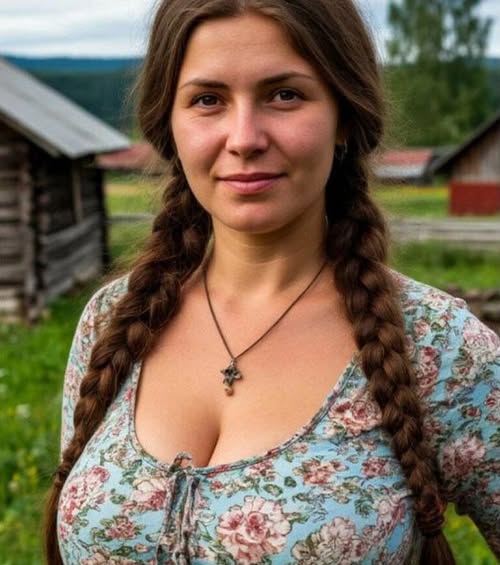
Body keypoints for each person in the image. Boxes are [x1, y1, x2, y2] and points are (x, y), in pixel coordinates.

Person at [44, 1, 500, 563]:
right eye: (207, 100)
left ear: (345, 117)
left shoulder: (441, 346)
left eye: (284, 95)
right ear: (170, 126)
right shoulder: (114, 318)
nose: (244, 138)